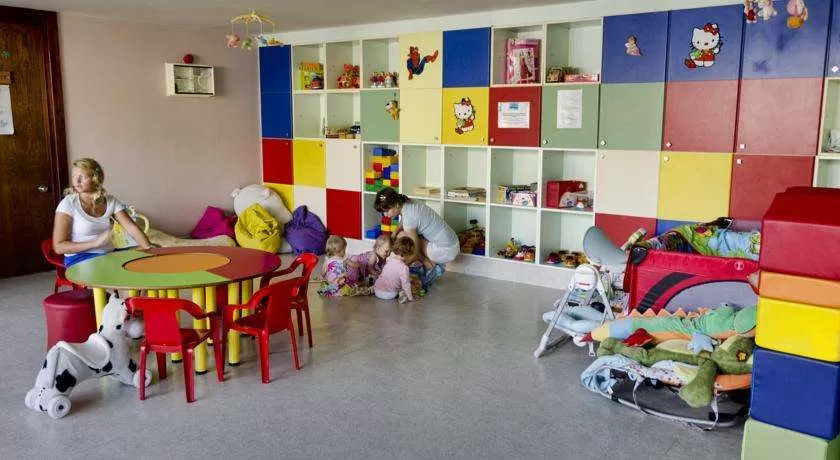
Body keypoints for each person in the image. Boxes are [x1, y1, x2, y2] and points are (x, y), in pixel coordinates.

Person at [52, 158, 153, 268]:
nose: (77, 181)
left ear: (95, 178)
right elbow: (59, 247)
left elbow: (131, 227)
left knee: (144, 261)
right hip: (80, 257)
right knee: (117, 270)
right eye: (74, 176)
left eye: (82, 177)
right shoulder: (68, 203)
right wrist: (95, 243)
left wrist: (148, 247)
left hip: (108, 255)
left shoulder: (111, 201)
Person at [373, 188, 458, 286]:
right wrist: (394, 232)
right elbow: (405, 219)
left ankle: (431, 266)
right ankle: (428, 263)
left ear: (396, 205)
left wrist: (397, 268)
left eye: (387, 211)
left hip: (446, 251)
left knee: (403, 238)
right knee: (401, 234)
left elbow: (414, 252)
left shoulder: (409, 219)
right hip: (453, 242)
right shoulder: (407, 203)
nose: (385, 215)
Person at [373, 236, 414, 303]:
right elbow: (406, 284)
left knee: (388, 279)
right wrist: (410, 298)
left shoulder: (389, 260)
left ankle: (371, 289)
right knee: (403, 287)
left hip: (377, 290)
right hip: (390, 294)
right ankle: (402, 296)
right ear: (407, 255)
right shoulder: (404, 268)